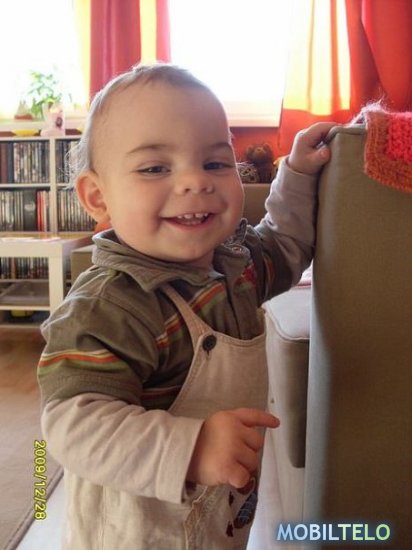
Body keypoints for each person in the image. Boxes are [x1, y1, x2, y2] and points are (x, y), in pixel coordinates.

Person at [37, 63, 334, 549]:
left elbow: (284, 244)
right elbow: (73, 423)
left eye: (215, 163)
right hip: (133, 536)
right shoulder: (111, 304)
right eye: (155, 168)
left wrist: (298, 174)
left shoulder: (237, 267)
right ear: (98, 196)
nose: (196, 181)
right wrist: (191, 448)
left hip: (214, 523)